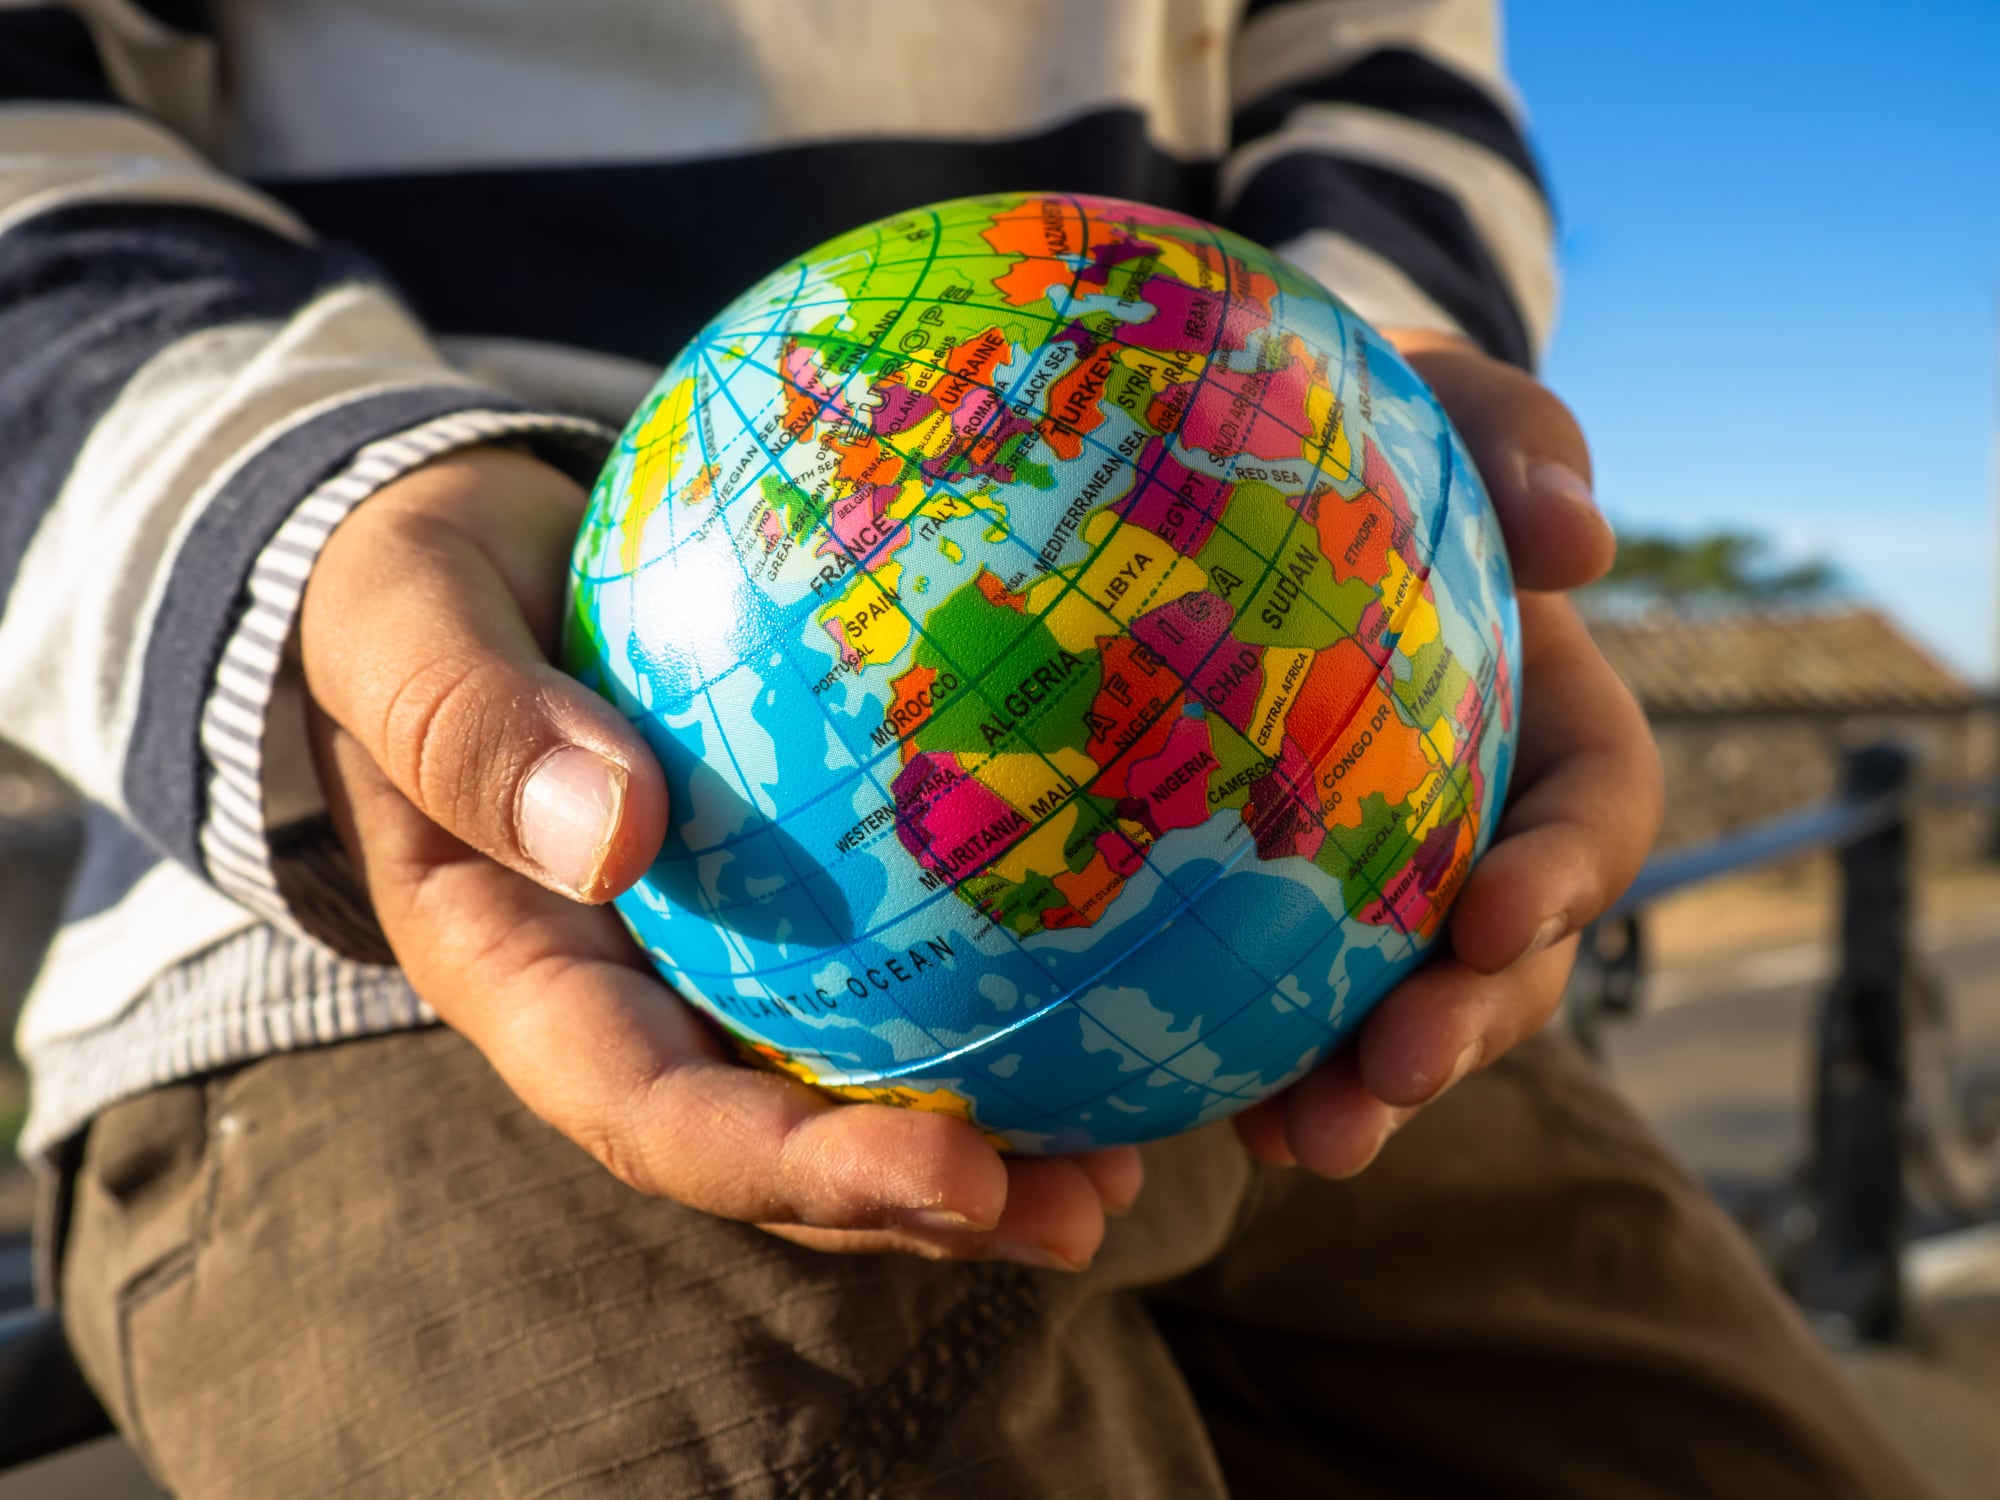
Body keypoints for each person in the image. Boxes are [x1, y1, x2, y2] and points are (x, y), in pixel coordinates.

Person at [0, 1, 1936, 1495]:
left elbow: (1379, 74)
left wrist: (1391, 489)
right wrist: (310, 531)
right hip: (437, 865)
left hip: (1312, 829)